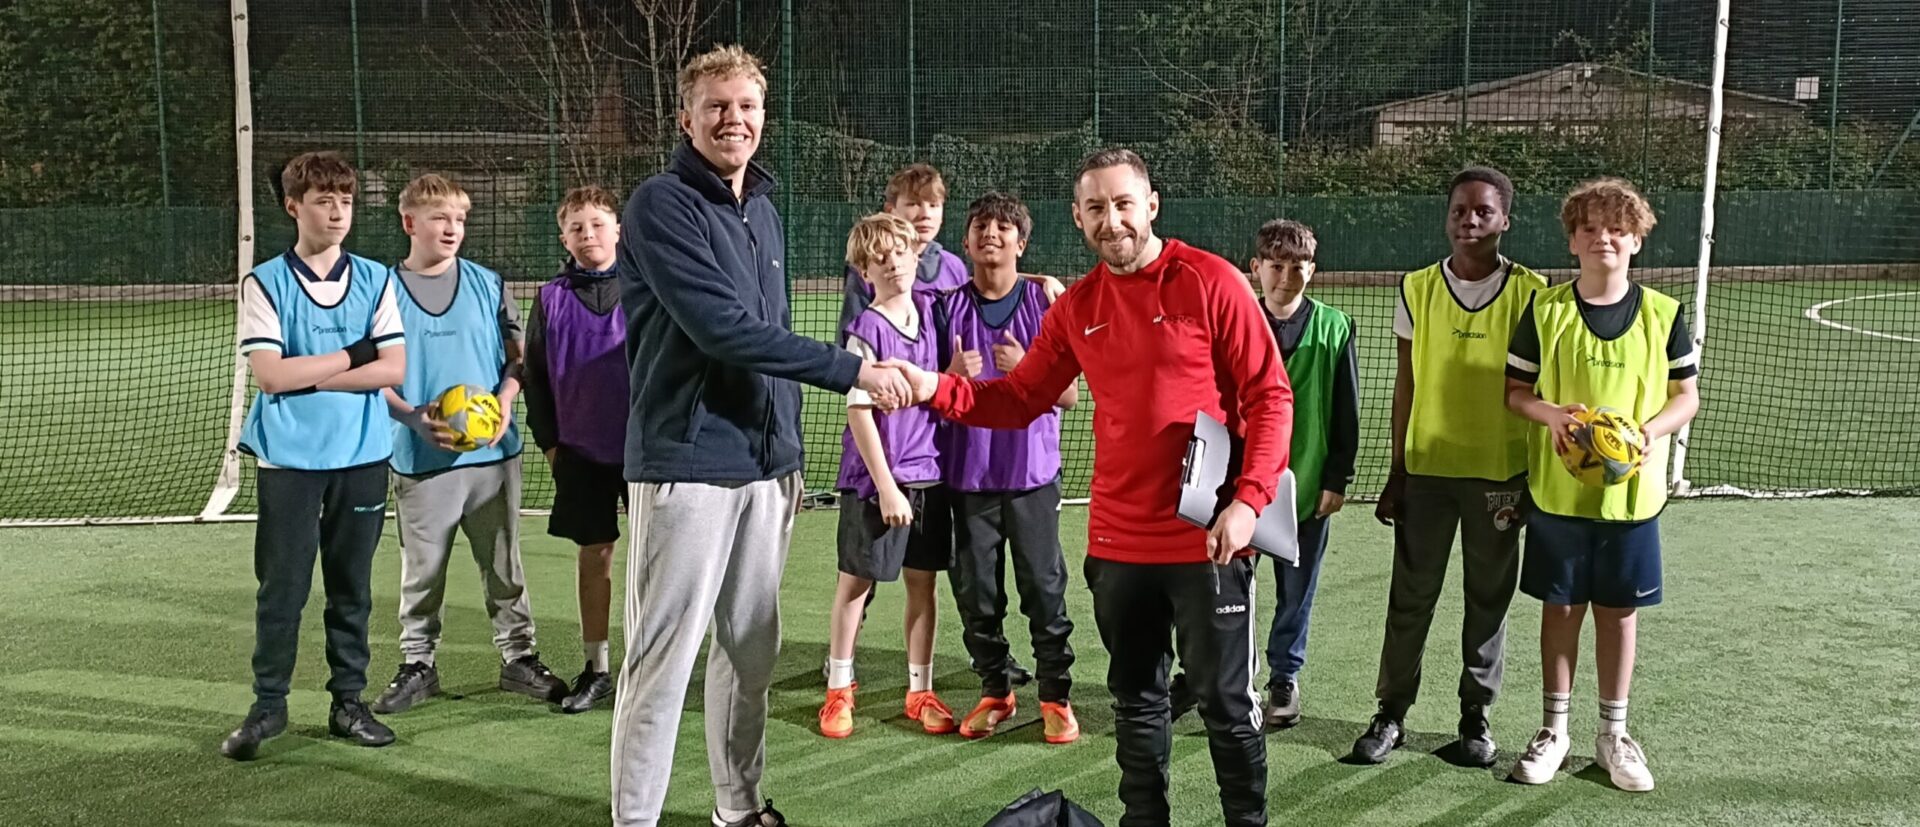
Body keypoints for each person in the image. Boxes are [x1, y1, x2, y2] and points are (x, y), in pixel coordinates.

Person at [886, 148, 1291, 827]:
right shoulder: (1077, 307)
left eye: (1124, 204)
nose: (1113, 221)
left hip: (1208, 542)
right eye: (1096, 208)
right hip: (1119, 544)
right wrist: (934, 387)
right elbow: (1019, 398)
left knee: (1225, 705)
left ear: (1151, 205)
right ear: (1078, 217)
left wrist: (1250, 502)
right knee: (1137, 701)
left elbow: (1269, 396)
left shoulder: (1210, 280)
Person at [609, 45, 912, 827]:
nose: (732, 119)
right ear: (686, 117)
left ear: (762, 116)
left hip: (765, 467)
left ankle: (736, 808)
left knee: (751, 654)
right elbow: (722, 330)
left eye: (746, 106)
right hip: (685, 464)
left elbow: (769, 331)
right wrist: (853, 371)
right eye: (715, 106)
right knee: (661, 663)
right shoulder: (659, 204)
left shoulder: (765, 210)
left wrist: (788, 453)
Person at [1504, 178, 1698, 792]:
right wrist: (1554, 414)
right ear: (1572, 240)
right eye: (1589, 227)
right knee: (1560, 608)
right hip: (1559, 496)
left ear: (1636, 240)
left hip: (1632, 500)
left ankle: (1613, 733)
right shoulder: (1546, 310)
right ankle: (1553, 730)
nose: (1603, 237)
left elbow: (1685, 398)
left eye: (1617, 228)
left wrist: (1645, 432)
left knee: (1618, 614)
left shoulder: (1664, 315)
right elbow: (1515, 394)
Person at [1352, 166, 1547, 768]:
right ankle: (1390, 714)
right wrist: (1398, 468)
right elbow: (1405, 384)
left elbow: (1542, 385)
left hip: (1499, 473)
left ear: (1505, 220)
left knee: (1488, 598)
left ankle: (1475, 717)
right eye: (1459, 210)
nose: (1469, 221)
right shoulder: (1416, 288)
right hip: (1428, 469)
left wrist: (1535, 477)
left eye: (1483, 211)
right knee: (1410, 595)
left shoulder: (1533, 292)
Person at [219, 150, 406, 760]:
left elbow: (396, 368)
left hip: (362, 455)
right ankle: (268, 706)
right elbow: (271, 376)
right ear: (293, 205)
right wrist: (354, 358)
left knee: (351, 588)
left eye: (346, 200)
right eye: (324, 199)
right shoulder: (265, 281)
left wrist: (314, 374)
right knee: (284, 589)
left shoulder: (377, 279)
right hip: (291, 460)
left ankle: (347, 703)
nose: (337, 211)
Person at [371, 173, 563, 715]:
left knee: (504, 564)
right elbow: (369, 374)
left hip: (492, 457)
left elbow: (516, 355)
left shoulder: (486, 281)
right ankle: (417, 665)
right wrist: (410, 417)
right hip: (420, 458)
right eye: (439, 218)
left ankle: (519, 658)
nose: (451, 228)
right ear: (409, 222)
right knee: (422, 571)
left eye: (459, 218)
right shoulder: (381, 291)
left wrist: (505, 398)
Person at [934, 192, 1079, 743]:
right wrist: (949, 374)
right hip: (968, 477)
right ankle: (995, 690)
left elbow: (1067, 396)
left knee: (1043, 589)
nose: (990, 233)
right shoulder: (944, 307)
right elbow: (923, 393)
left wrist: (1027, 372)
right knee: (976, 594)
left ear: (1022, 242)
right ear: (967, 241)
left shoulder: (1045, 303)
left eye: (1003, 227)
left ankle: (1055, 697)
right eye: (979, 226)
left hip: (1031, 477)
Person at [820, 212, 957, 740]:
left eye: (900, 251)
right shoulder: (865, 330)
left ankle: (919, 690)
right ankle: (838, 690)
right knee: (855, 584)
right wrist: (885, 486)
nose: (893, 262)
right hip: (877, 483)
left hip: (929, 477)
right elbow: (859, 413)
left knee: (923, 585)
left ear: (916, 254)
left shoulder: (934, 313)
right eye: (879, 257)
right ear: (863, 270)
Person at [522, 185, 630, 713]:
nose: (589, 234)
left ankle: (654, 665)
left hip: (646, 449)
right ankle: (598, 666)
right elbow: (535, 378)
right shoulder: (550, 298)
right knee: (596, 554)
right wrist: (549, 446)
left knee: (659, 561)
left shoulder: (648, 286)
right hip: (581, 451)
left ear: (618, 228)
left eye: (598, 223)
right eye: (577, 227)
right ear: (563, 237)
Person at [1248, 219, 1359, 729]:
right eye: (1276, 265)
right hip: (1242, 487)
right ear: (1257, 268)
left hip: (1308, 483)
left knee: (1297, 590)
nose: (1286, 275)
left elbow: (1347, 411)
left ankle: (1283, 678)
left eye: (1298, 266)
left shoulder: (1335, 328)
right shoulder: (1239, 321)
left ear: (1312, 271)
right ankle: (1231, 676)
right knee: (1232, 588)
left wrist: (1338, 477)